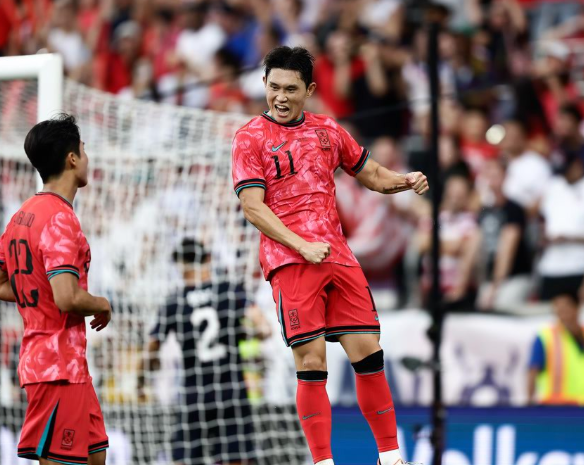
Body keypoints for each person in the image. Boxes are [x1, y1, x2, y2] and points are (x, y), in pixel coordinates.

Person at [232, 46, 428, 465]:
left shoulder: (328, 130)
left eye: (290, 89)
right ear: (264, 84)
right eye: (273, 87)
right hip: (291, 260)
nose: (280, 97)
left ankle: (391, 456)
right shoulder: (250, 137)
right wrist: (300, 245)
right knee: (311, 359)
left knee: (368, 351)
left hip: (336, 255)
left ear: (309, 90)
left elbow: (371, 173)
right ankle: (323, 461)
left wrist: (405, 180)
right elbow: (252, 207)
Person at [0, 114, 112, 465]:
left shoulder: (22, 215)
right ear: (72, 158)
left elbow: (4, 282)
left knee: (95, 458)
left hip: (66, 367)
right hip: (56, 366)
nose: (88, 159)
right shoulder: (59, 218)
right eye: (84, 150)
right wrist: (101, 304)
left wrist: (38, 290)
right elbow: (66, 297)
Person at [139, 238, 255, 465]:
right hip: (231, 390)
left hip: (196, 394)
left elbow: (152, 346)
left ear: (180, 266)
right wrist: (245, 333)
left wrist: (140, 381)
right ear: (208, 259)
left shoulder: (175, 301)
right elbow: (263, 327)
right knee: (236, 457)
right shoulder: (229, 291)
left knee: (185, 458)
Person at [527, 292, 584, 405]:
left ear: (576, 307)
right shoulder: (546, 336)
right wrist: (529, 401)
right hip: (555, 406)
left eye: (566, 306)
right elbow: (533, 370)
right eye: (557, 306)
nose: (561, 310)